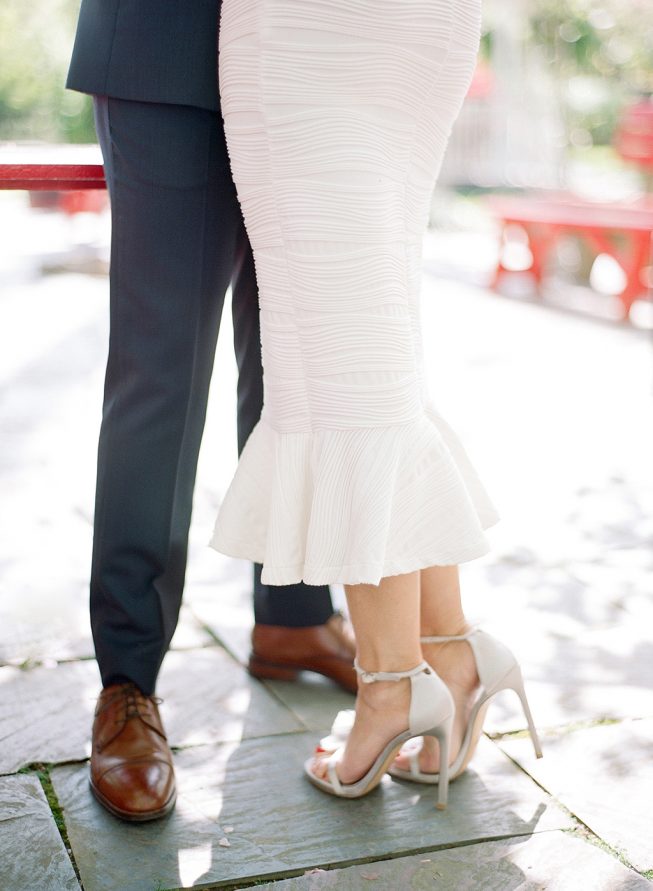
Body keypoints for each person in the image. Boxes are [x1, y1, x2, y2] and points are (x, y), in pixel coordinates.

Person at [212, 0, 542, 807]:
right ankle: (447, 653)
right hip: (409, 29)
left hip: (304, 32)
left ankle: (392, 687)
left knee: (334, 365)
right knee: (369, 349)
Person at [65, 0, 357, 824]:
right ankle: (127, 681)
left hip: (311, 61)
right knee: (162, 370)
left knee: (297, 364)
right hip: (164, 44)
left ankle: (296, 615)